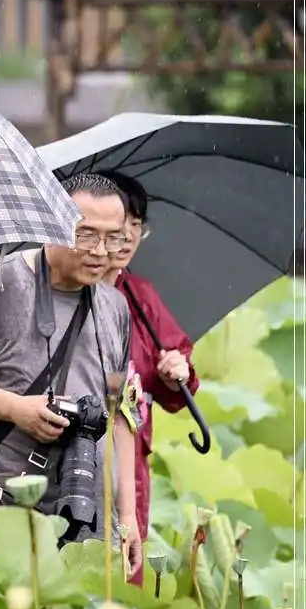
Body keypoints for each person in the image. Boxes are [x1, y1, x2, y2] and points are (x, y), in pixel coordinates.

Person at [0, 173, 143, 576]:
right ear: (50, 220)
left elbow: (118, 410)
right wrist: (16, 408)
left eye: (115, 238)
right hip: (5, 506)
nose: (101, 251)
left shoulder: (115, 307)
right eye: (86, 235)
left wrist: (127, 518)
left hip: (86, 509)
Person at [100, 171, 199, 585]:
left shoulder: (141, 295)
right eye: (120, 225)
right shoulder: (64, 297)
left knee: (125, 575)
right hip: (79, 455)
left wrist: (178, 374)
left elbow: (174, 385)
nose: (127, 236)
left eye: (137, 225)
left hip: (132, 460)